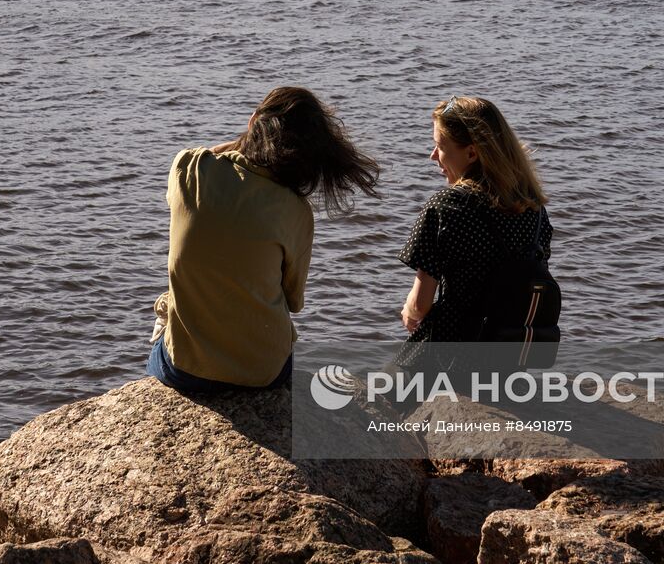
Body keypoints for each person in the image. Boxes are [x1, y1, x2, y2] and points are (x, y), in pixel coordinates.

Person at [148, 86, 379, 393]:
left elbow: (211, 154)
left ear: (254, 122)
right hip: (263, 373)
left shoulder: (190, 168)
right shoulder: (296, 211)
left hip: (186, 370)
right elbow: (294, 300)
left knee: (166, 321)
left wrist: (245, 140)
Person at [395, 96, 558, 373]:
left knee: (376, 396)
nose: (433, 156)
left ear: (472, 153)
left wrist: (409, 312)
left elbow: (420, 306)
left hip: (448, 353)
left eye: (439, 146)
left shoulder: (447, 205)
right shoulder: (534, 208)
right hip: (506, 358)